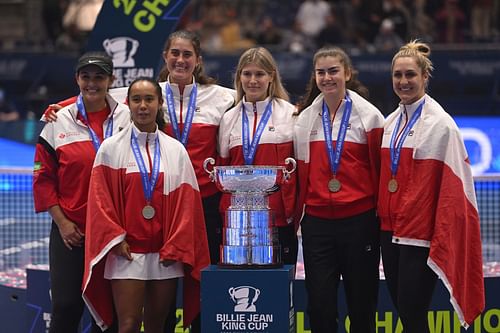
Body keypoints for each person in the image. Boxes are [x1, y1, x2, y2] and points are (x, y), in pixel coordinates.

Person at [82, 77, 210, 333]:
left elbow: (188, 205)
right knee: (128, 326)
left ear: (159, 103)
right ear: (127, 103)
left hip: (166, 254)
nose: (143, 106)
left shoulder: (175, 150)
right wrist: (115, 239)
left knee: (158, 326)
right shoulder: (110, 149)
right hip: (126, 253)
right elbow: (99, 201)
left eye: (149, 99)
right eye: (137, 99)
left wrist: (175, 244)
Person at [378, 40, 485, 332]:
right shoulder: (390, 123)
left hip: (419, 236)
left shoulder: (442, 125)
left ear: (425, 77)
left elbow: (455, 190)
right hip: (390, 232)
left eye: (410, 75)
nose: (403, 81)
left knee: (412, 312)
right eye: (398, 75)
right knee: (404, 310)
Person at [32, 51, 130, 333]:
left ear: (111, 80)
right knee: (65, 305)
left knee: (109, 310)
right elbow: (43, 178)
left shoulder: (127, 117)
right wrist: (62, 224)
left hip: (114, 230)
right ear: (77, 79)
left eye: (99, 77)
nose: (92, 83)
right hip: (71, 232)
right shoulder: (57, 121)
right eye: (86, 77)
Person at [294, 46, 384, 333]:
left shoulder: (370, 117)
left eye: (333, 71)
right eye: (321, 72)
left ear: (347, 73)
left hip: (359, 222)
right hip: (318, 225)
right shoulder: (305, 119)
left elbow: (379, 171)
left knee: (362, 303)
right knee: (319, 305)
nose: (327, 77)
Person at [218, 47, 298, 265]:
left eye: (260, 74)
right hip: (238, 221)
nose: (253, 80)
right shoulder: (229, 119)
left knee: (277, 287)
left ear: (271, 76)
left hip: (278, 218)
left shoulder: (290, 113)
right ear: (239, 77)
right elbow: (224, 167)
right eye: (247, 74)